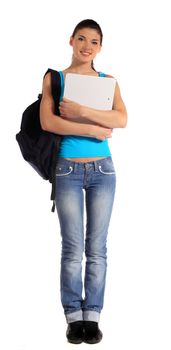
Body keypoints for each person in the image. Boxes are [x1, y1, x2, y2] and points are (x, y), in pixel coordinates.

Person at [40, 19, 127, 344]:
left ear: (99, 48)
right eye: (81, 39)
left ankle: (93, 315)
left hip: (103, 171)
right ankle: (73, 317)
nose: (87, 46)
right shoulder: (56, 78)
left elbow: (121, 119)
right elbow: (49, 122)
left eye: (93, 41)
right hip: (67, 171)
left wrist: (81, 111)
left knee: (97, 249)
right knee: (73, 248)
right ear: (71, 41)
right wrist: (92, 127)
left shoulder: (108, 81)